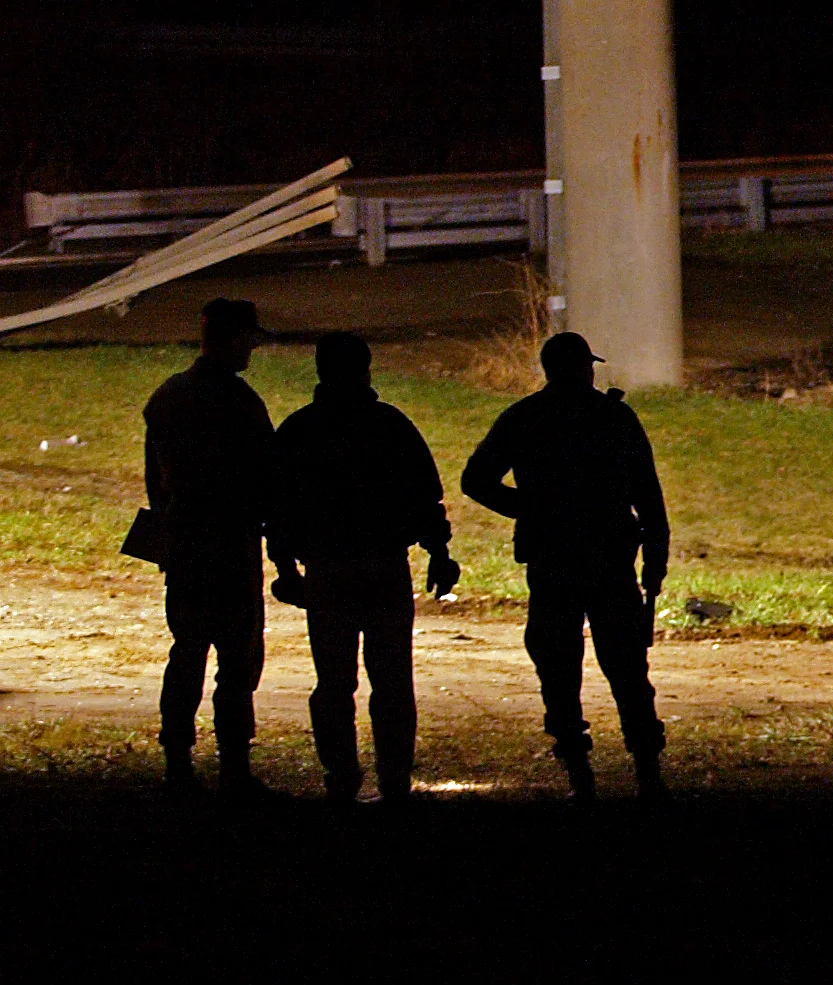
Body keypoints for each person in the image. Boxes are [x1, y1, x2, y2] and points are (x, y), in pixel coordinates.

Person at [461, 331, 669, 801]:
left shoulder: (524, 418)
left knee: (558, 667)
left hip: (553, 559)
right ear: (586, 369)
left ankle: (579, 771)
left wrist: (529, 508)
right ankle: (648, 774)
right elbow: (648, 497)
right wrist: (656, 558)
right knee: (627, 669)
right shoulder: (614, 418)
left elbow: (476, 480)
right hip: (610, 561)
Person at [266, 331, 459, 806]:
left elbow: (278, 508)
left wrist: (287, 568)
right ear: (367, 370)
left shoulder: (299, 429)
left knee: (333, 681)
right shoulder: (390, 426)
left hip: (329, 572)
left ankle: (341, 774)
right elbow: (425, 497)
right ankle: (393, 777)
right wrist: (438, 552)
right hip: (385, 568)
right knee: (392, 678)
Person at [143, 297, 277, 799]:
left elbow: (156, 484)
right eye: (247, 340)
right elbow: (267, 479)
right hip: (231, 546)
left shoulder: (167, 398)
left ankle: (178, 762)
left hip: (185, 546)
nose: (251, 351)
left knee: (187, 654)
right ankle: (234, 769)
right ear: (232, 338)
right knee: (238, 661)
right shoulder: (240, 403)